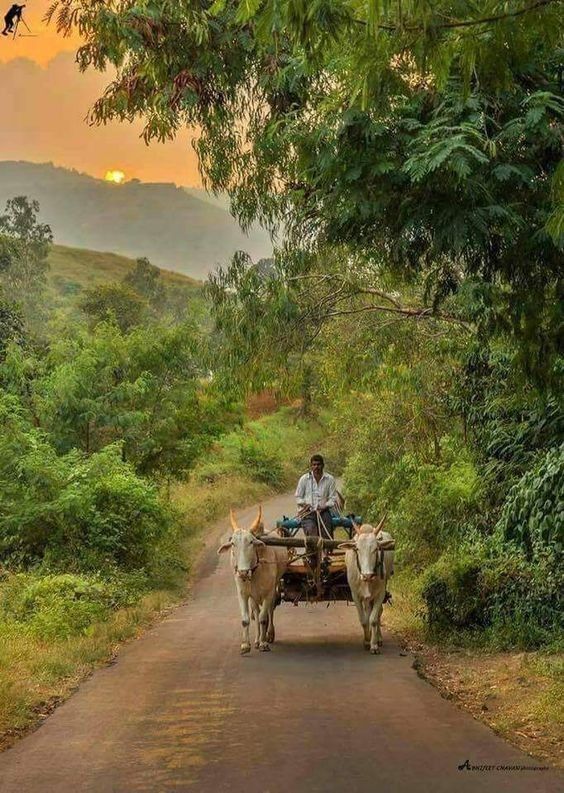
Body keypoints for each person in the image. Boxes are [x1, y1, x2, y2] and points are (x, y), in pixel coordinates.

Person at [295, 454, 337, 543]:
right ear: (311, 466)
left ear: (323, 465)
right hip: (307, 513)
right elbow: (298, 497)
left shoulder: (330, 479)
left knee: (326, 531)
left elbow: (332, 499)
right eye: (314, 465)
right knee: (311, 531)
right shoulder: (304, 479)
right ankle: (312, 555)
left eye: (318, 464)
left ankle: (326, 553)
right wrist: (305, 504)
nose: (316, 467)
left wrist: (324, 506)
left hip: (324, 512)